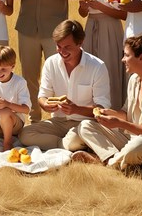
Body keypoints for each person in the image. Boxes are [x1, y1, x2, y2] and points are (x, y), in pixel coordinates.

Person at [68, 34, 142, 170]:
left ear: (141, 58)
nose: (123, 59)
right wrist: (110, 114)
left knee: (139, 145)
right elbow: (126, 113)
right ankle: (111, 159)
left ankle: (108, 163)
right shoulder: (134, 80)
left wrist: (119, 123)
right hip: (134, 139)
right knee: (86, 126)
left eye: (126, 55)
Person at [18, 20, 111, 151]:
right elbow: (43, 96)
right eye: (58, 46)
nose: (62, 51)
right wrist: (45, 105)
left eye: (67, 47)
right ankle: (67, 145)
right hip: (59, 122)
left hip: (85, 124)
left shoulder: (97, 66)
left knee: (78, 136)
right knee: (25, 134)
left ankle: (68, 144)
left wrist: (76, 109)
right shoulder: (51, 63)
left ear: (80, 43)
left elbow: (102, 109)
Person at [78, 0, 130, 109]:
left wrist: (98, 5)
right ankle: (89, 113)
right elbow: (82, 13)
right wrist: (84, 7)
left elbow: (125, 15)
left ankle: (112, 112)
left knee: (110, 70)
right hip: (90, 27)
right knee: (88, 70)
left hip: (112, 28)